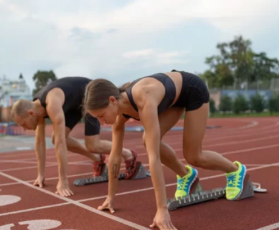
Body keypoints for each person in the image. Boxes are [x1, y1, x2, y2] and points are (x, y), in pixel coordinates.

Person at [82, 70, 246, 230]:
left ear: (112, 100)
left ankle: (235, 171)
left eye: (101, 116)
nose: (102, 122)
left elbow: (153, 158)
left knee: (194, 156)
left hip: (191, 90)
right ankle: (186, 175)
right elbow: (115, 157)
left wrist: (162, 210)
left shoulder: (143, 97)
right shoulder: (118, 115)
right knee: (148, 140)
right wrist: (110, 197)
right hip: (171, 100)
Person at [10, 76, 138, 197]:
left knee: (92, 145)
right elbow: (39, 143)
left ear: (30, 113)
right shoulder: (37, 109)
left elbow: (61, 144)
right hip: (72, 105)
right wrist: (40, 175)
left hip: (88, 97)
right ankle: (97, 158)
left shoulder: (52, 104)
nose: (25, 128)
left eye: (23, 124)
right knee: (55, 138)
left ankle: (128, 154)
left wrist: (63, 181)